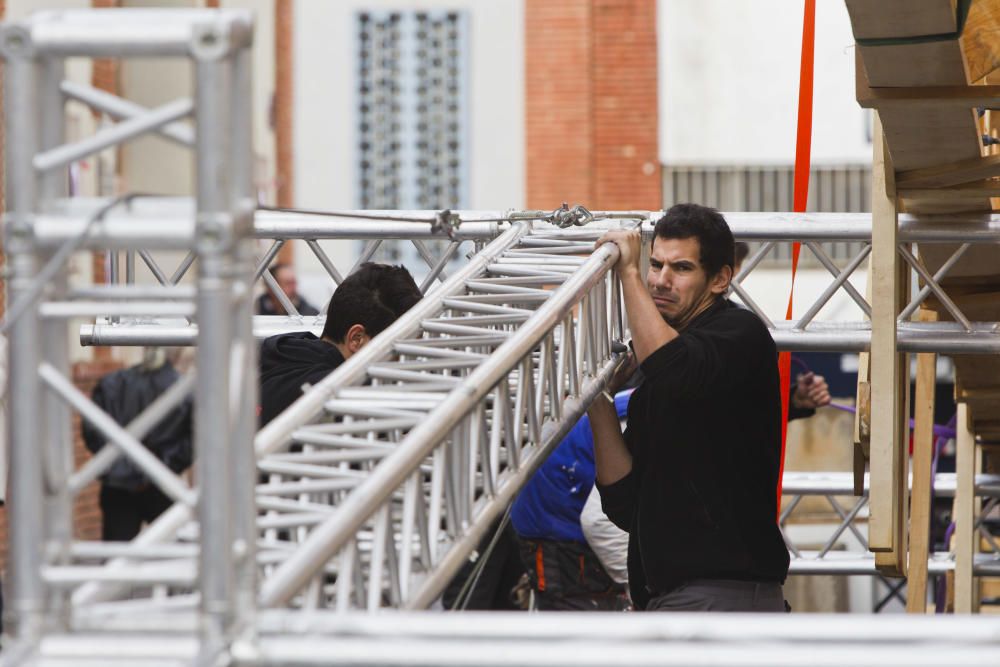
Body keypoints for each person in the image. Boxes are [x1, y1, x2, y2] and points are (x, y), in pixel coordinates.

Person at [590, 203, 790, 612]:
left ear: (719, 279)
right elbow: (626, 505)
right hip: (673, 600)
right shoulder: (657, 382)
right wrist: (599, 402)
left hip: (721, 596)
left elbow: (674, 367)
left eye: (680, 268)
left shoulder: (739, 333)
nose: (661, 281)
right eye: (654, 265)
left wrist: (628, 273)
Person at [258, 262, 421, 426]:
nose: (403, 366)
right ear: (357, 339)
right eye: (397, 353)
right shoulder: (337, 396)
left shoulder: (281, 358)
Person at [511, 391, 631, 610]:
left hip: (561, 516)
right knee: (580, 632)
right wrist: (638, 586)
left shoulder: (635, 402)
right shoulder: (633, 419)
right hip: (557, 535)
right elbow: (599, 523)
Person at [82, 348, 193, 541]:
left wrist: (118, 465)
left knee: (117, 558)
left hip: (119, 485)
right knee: (173, 555)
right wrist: (162, 464)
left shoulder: (111, 384)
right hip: (162, 483)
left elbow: (93, 432)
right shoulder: (182, 389)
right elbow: (194, 439)